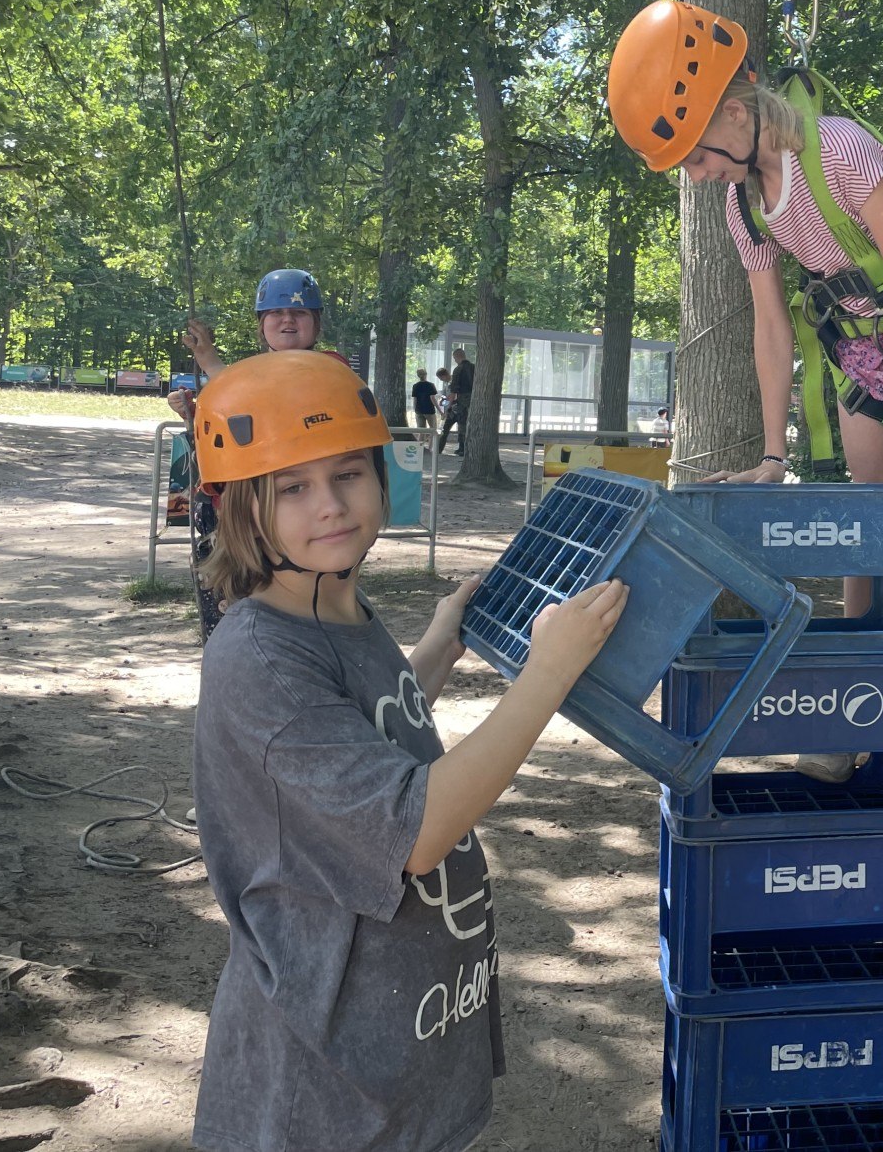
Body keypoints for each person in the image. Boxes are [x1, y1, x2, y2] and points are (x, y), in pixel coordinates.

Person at [188, 349, 628, 1152]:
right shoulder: (261, 657)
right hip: (325, 1091)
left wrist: (434, 651)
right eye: (292, 488)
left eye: (348, 474)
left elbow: (365, 734)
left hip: (403, 1043)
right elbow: (413, 832)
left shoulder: (331, 608)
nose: (331, 505)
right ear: (241, 509)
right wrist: (549, 673)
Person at [608, 0, 883, 794]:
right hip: (863, 343)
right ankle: (860, 705)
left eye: (695, 155)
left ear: (734, 113)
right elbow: (771, 329)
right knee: (867, 520)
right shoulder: (744, 206)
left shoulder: (845, 152)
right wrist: (771, 453)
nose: (695, 175)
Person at [169, 269, 345, 641]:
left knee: (288, 608)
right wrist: (195, 413)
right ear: (261, 325)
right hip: (238, 509)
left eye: (298, 313)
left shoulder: (331, 367)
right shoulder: (248, 374)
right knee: (230, 595)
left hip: (293, 510)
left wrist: (212, 365)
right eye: (276, 313)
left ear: (316, 323)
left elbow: (275, 398)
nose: (287, 319)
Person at [440, 347, 475, 456]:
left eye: (454, 358)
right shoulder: (474, 367)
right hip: (474, 401)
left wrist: (447, 407)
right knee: (470, 425)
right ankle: (468, 448)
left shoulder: (458, 369)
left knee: (462, 425)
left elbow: (453, 392)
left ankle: (462, 448)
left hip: (462, 402)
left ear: (456, 357)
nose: (455, 360)